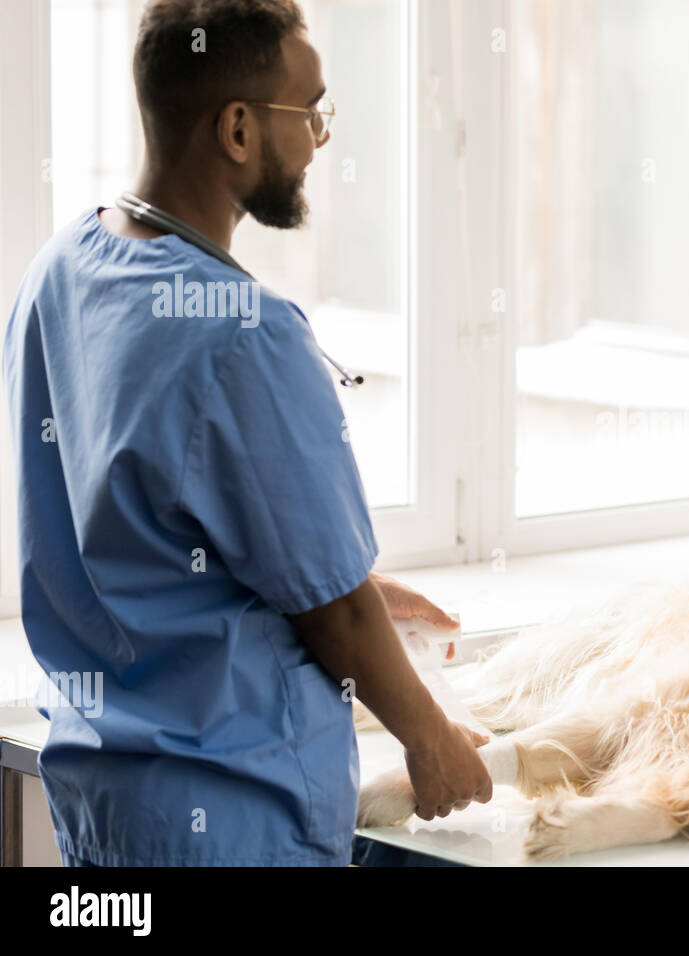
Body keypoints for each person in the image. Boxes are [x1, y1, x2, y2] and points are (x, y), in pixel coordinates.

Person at [2, 0, 490, 866]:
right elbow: (336, 615)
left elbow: (148, 520)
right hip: (230, 816)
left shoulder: (60, 268)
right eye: (310, 113)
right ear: (236, 129)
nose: (319, 140)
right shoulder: (243, 332)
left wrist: (361, 582)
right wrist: (431, 739)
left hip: (108, 802)